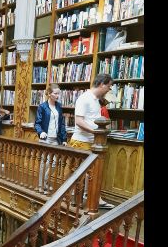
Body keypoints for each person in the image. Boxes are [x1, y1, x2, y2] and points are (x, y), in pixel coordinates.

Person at [69, 73, 116, 209]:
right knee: (79, 175)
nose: (109, 89)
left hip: (93, 142)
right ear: (101, 84)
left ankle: (94, 200)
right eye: (109, 86)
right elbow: (79, 121)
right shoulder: (84, 98)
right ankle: (76, 203)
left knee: (93, 174)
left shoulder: (96, 100)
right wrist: (96, 132)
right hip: (81, 142)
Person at [34, 83, 68, 191]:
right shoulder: (42, 107)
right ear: (49, 94)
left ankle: (45, 182)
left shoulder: (59, 106)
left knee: (54, 163)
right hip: (45, 139)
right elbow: (37, 123)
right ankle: (41, 186)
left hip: (56, 139)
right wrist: (41, 132)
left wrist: (64, 139)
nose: (58, 96)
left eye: (58, 93)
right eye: (55, 93)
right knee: (44, 163)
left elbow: (62, 124)